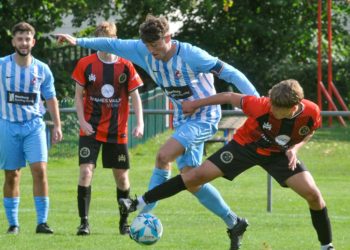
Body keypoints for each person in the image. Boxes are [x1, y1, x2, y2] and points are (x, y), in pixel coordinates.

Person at [56, 14, 259, 249]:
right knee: (192, 179)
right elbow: (110, 44)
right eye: (148, 45)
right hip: (183, 117)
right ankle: (234, 222)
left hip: (204, 115)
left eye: (156, 44)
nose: (151, 50)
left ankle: (140, 209)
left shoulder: (192, 55)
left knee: (164, 156)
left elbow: (231, 74)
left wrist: (258, 103)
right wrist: (77, 41)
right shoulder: (141, 49)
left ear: (169, 37)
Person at [119, 79, 335, 250]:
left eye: (277, 109)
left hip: (279, 155)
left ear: (294, 107)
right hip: (245, 147)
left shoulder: (311, 112)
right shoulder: (261, 105)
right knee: (194, 177)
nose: (272, 110)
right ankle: (139, 202)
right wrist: (194, 104)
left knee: (314, 195)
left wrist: (294, 149)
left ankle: (327, 246)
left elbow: (309, 132)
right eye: (272, 105)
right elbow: (228, 96)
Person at [71, 21, 144, 236]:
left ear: (115, 40)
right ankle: (84, 223)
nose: (106, 45)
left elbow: (135, 97)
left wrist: (139, 123)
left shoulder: (126, 65)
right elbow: (77, 96)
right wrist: (82, 121)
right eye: (101, 41)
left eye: (110, 41)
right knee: (85, 173)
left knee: (122, 178)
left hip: (117, 130)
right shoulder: (85, 64)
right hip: (90, 129)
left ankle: (123, 223)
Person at [0, 22, 62, 234]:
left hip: (34, 126)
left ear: (33, 42)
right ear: (13, 41)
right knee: (12, 175)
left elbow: (51, 98)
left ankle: (42, 222)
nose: (24, 43)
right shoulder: (2, 66)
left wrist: (57, 125)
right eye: (20, 38)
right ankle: (13, 224)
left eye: (27, 39)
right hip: (8, 126)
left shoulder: (42, 69)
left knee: (40, 170)